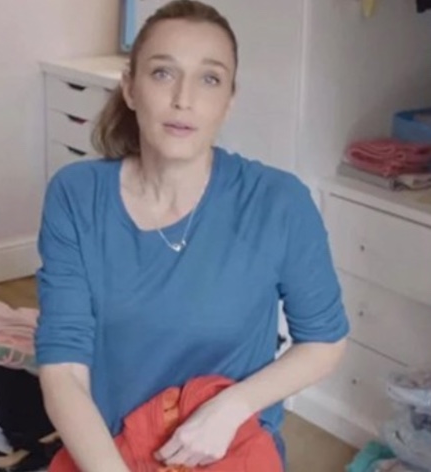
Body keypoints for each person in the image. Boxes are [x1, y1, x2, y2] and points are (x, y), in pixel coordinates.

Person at [34, 1, 349, 470]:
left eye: (210, 79)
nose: (184, 98)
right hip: (109, 452)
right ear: (130, 88)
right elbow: (63, 367)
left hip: (228, 451)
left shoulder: (278, 202)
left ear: (229, 99)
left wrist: (232, 407)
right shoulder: (77, 194)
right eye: (163, 73)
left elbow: (324, 341)